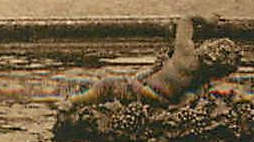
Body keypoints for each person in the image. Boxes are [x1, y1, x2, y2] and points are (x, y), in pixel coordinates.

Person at [64, 16, 223, 108]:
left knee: (106, 85)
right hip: (156, 100)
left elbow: (187, 19)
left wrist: (208, 21)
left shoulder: (185, 55)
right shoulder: (201, 80)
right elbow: (185, 101)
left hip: (140, 89)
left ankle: (72, 104)